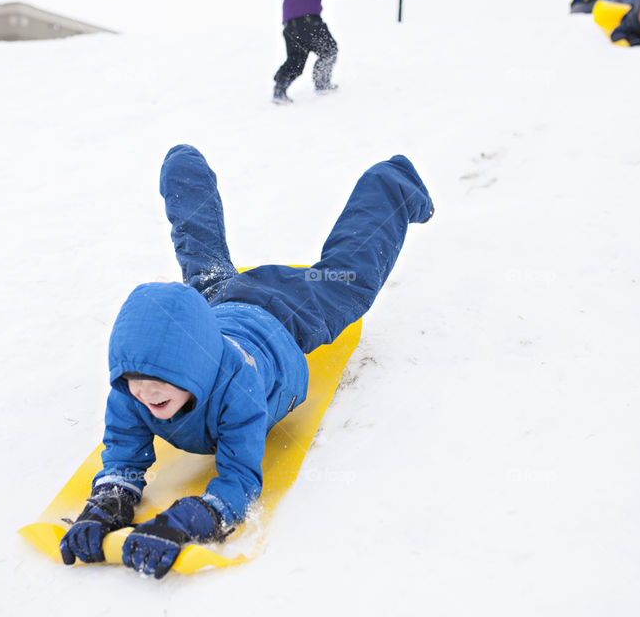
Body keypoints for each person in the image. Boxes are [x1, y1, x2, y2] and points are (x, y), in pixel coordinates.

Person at [59, 145, 434, 579]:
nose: (145, 392)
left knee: (347, 279)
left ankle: (392, 183)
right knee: (201, 261)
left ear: (194, 369)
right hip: (217, 305)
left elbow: (239, 482)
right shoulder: (133, 391)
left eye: (159, 378)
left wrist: (190, 520)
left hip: (286, 312)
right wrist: (109, 500)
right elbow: (123, 453)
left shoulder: (241, 390)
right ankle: (184, 166)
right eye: (132, 379)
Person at [272, 0, 383, 105]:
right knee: (329, 50)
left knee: (296, 58)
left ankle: (279, 90)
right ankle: (322, 83)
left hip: (290, 25)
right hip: (309, 22)